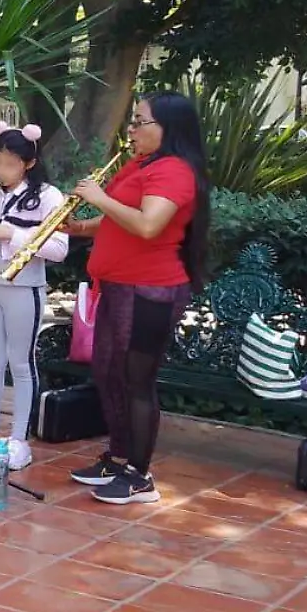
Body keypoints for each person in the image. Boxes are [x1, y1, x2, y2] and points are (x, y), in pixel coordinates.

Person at [62, 92, 210, 505]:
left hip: (152, 290)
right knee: (108, 372)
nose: (132, 129)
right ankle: (119, 455)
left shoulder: (175, 171)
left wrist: (99, 198)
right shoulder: (142, 164)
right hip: (119, 285)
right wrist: (77, 227)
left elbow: (148, 225)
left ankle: (140, 476)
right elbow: (117, 220)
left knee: (136, 381)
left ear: (168, 128)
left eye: (140, 121)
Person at [0, 123, 68, 470]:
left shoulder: (48, 196)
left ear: (28, 163)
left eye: (10, 163)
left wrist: (11, 233)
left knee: (20, 362)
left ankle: (19, 439)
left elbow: (58, 248)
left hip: (24, 287)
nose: (1, 170)